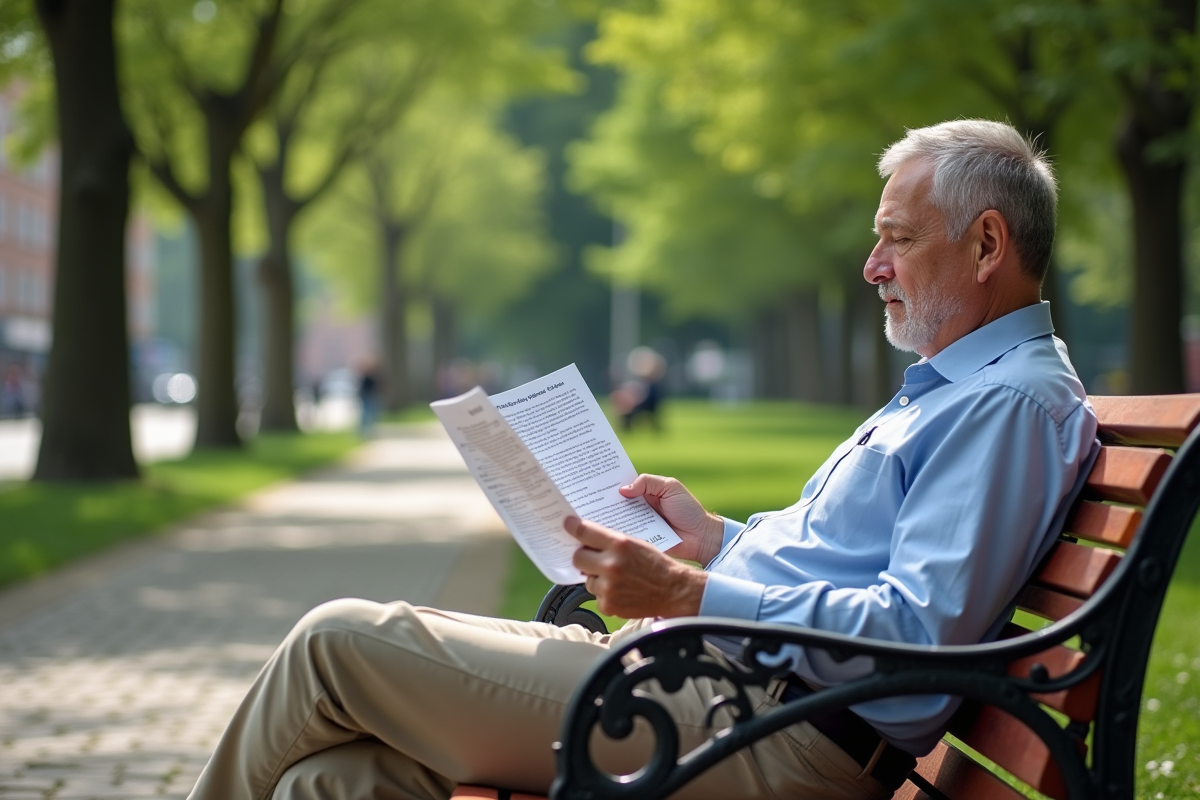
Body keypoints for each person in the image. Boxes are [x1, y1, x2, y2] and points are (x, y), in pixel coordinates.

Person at [187, 120, 1099, 800]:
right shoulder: (966, 388)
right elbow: (863, 575)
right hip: (714, 690)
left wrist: (690, 596)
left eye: (897, 237)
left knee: (337, 642)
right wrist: (716, 541)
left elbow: (915, 637)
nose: (872, 265)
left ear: (986, 245)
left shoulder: (1007, 403)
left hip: (767, 730)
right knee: (338, 783)